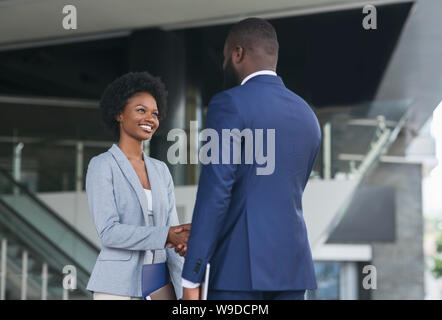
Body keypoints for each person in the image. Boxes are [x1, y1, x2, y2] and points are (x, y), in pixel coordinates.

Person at [181, 18, 321, 300]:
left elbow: (217, 191)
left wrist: (191, 276)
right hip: (293, 270)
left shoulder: (228, 103)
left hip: (239, 268)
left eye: (224, 58)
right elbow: (272, 191)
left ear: (237, 53)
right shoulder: (308, 114)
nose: (223, 66)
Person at [85, 71, 190, 300]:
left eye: (155, 113)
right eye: (141, 110)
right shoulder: (102, 166)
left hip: (160, 284)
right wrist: (167, 235)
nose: (150, 119)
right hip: (117, 285)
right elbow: (109, 232)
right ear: (119, 114)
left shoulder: (161, 170)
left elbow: (170, 230)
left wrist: (181, 241)